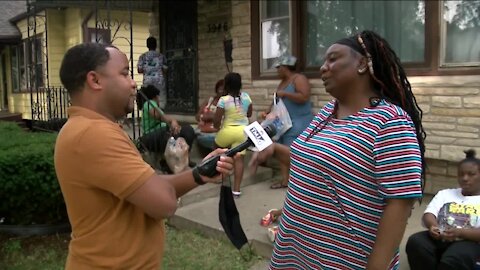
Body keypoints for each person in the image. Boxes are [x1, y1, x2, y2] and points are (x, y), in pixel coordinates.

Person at [55, 43, 233, 269]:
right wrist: (183, 172)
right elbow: (163, 203)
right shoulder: (94, 134)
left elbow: (147, 185)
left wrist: (200, 173)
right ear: (95, 80)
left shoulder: (87, 128)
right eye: (124, 73)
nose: (132, 83)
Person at [267, 30, 427, 270]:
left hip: (344, 260)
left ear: (362, 64)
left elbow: (400, 202)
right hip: (296, 251)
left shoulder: (390, 121)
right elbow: (314, 163)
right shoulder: (327, 113)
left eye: (332, 59)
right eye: (323, 61)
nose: (322, 67)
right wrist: (274, 149)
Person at [406, 149, 480, 270]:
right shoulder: (445, 194)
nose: (465, 178)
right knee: (416, 242)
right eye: (461, 174)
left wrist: (461, 233)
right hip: (439, 238)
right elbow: (429, 213)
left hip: (469, 241)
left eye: (471, 174)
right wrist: (433, 226)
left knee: (455, 258)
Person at [253, 55, 313, 189]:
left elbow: (304, 97)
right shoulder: (283, 82)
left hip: (298, 122)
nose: (277, 71)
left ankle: (301, 184)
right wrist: (267, 112)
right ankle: (285, 181)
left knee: (292, 154)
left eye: (278, 68)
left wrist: (286, 94)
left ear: (285, 67)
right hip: (283, 124)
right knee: (281, 153)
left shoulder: (298, 79)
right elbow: (277, 100)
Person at [138, 84, 196, 170]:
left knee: (187, 130)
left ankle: (185, 158)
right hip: (151, 136)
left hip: (162, 132)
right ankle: (166, 162)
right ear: (156, 97)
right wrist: (172, 121)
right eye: (158, 97)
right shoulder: (149, 103)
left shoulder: (154, 105)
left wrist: (174, 124)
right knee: (168, 133)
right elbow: (158, 115)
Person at [213, 72, 252, 197]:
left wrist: (216, 127)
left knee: (216, 149)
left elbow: (217, 120)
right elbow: (249, 114)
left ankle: (219, 176)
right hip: (243, 133)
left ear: (227, 85)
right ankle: (236, 190)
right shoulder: (246, 97)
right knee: (239, 159)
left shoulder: (223, 100)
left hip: (227, 131)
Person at [138, 36, 168, 109]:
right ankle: (160, 115)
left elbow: (139, 70)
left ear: (147, 45)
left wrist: (148, 69)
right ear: (156, 45)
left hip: (147, 82)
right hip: (159, 81)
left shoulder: (143, 57)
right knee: (160, 101)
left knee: (148, 101)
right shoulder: (161, 56)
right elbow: (165, 69)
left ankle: (150, 116)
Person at [195, 79, 225, 153]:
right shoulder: (210, 100)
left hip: (218, 132)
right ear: (216, 89)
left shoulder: (227, 102)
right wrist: (203, 117)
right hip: (204, 131)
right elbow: (197, 116)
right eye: (219, 88)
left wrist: (211, 117)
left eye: (223, 89)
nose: (221, 91)